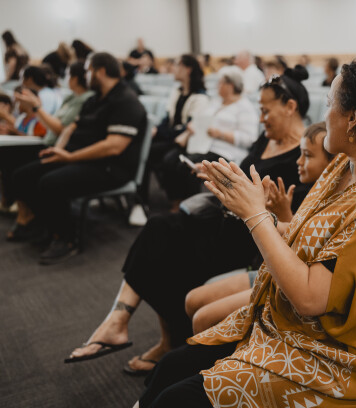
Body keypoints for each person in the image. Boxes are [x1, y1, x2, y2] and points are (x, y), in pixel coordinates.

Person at [113, 58, 356, 408]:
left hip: (339, 355)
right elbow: (306, 237)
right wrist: (250, 204)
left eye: (329, 104)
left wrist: (255, 215)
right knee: (173, 365)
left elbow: (310, 298)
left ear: (352, 118)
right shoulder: (343, 167)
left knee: (179, 403)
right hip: (292, 327)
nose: (324, 113)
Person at [65, 67, 312, 378]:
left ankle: (145, 332)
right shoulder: (266, 139)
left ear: (290, 107)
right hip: (223, 220)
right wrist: (220, 176)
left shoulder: (306, 155)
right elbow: (245, 176)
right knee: (158, 229)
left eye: (265, 110)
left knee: (163, 249)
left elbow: (294, 216)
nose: (261, 118)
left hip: (250, 238)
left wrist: (257, 202)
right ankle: (127, 323)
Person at [184, 122, 333, 334]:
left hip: (289, 277)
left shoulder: (319, 198)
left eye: (307, 155)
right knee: (192, 300)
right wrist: (262, 210)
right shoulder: (308, 191)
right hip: (266, 268)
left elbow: (299, 251)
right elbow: (289, 230)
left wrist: (273, 213)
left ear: (333, 164)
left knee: (203, 318)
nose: (298, 161)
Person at [9, 52, 147, 264]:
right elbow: (71, 128)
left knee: (50, 183)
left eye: (88, 71)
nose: (86, 75)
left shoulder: (126, 101)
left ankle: (66, 239)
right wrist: (59, 150)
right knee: (22, 176)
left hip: (110, 168)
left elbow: (113, 147)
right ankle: (46, 225)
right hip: (79, 157)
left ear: (100, 71)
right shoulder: (94, 99)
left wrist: (70, 157)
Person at [1, 62, 94, 220]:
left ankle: (29, 214)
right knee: (7, 156)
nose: (65, 78)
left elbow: (59, 128)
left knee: (16, 165)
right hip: (50, 142)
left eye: (68, 74)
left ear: (75, 78)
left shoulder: (84, 99)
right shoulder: (71, 97)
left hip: (55, 144)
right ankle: (22, 210)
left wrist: (35, 107)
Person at [156, 65, 258, 206]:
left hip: (224, 151)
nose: (217, 86)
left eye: (220, 82)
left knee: (188, 167)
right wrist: (193, 126)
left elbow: (249, 139)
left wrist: (221, 134)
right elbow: (201, 119)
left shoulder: (245, 107)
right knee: (170, 159)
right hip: (202, 145)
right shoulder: (216, 102)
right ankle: (176, 201)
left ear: (230, 85)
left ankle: (189, 205)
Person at [143, 54, 209, 209]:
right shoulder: (177, 91)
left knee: (167, 158)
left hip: (185, 141)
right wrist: (157, 129)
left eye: (178, 65)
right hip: (171, 136)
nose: (174, 69)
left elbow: (188, 127)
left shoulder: (200, 98)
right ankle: (143, 199)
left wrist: (165, 132)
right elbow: (168, 119)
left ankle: (174, 200)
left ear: (188, 69)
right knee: (143, 147)